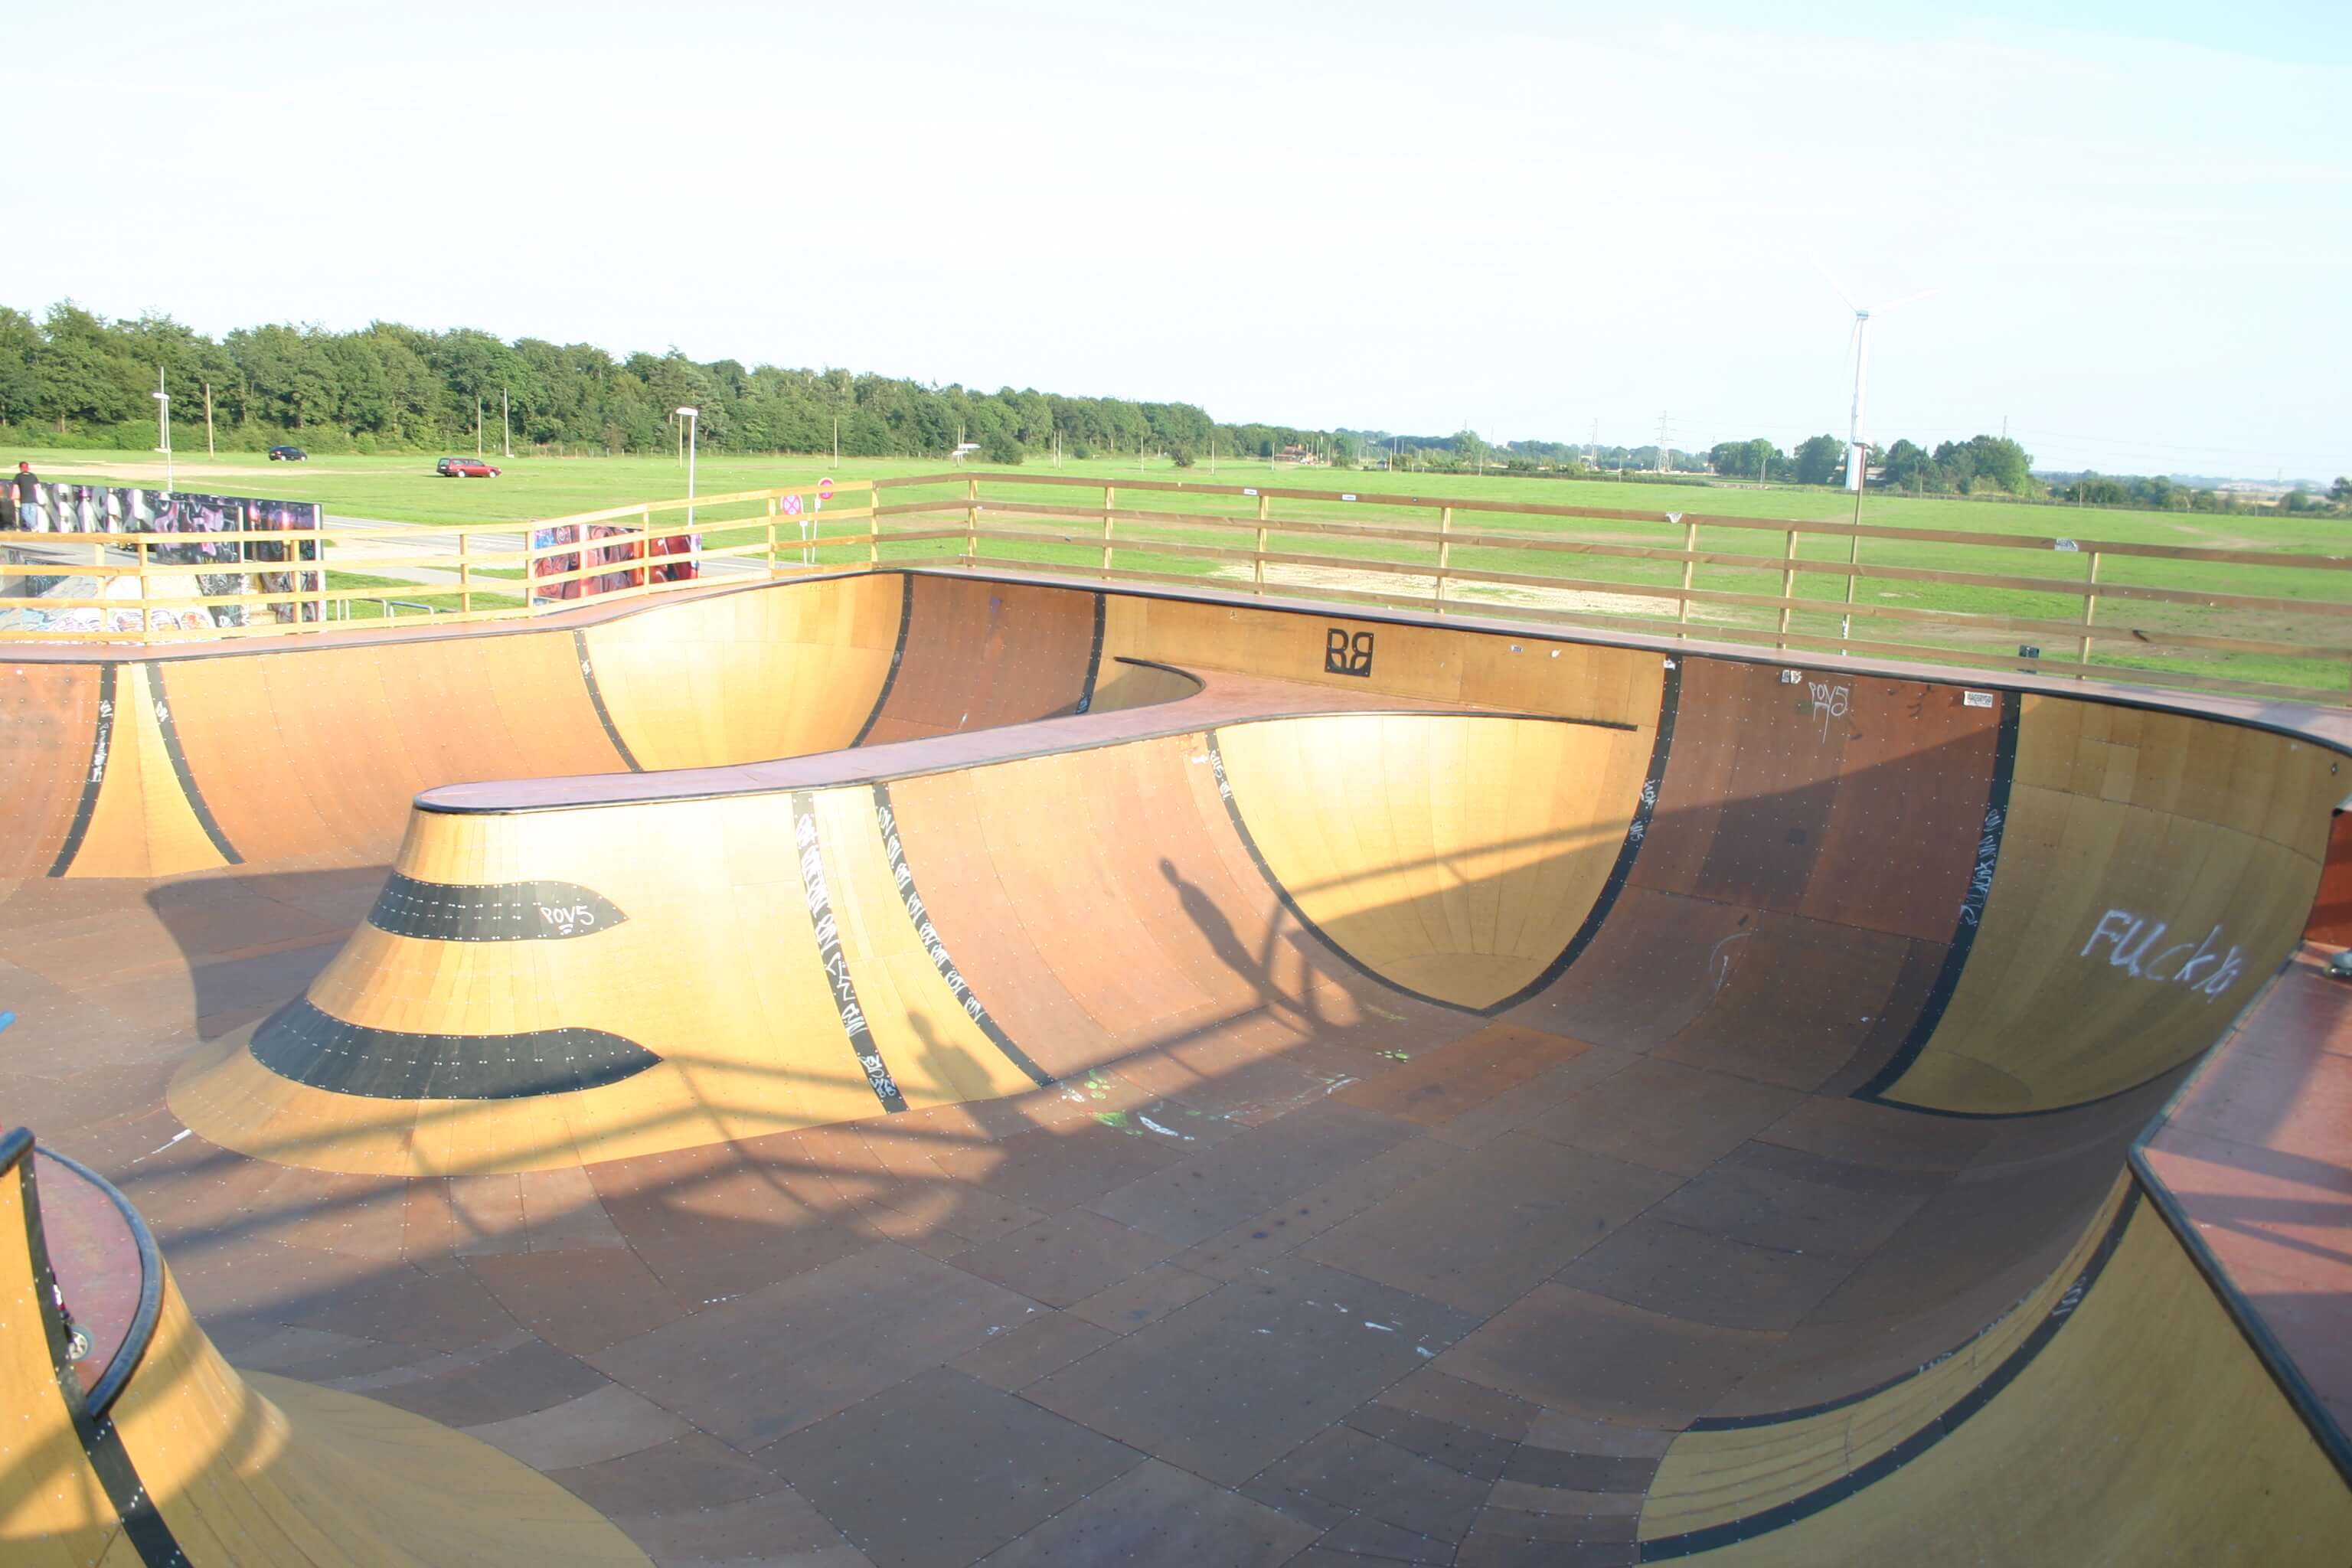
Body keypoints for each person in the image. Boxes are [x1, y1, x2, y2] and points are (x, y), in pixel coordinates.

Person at [8, 462, 35, 530]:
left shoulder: (19, 476)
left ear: (21, 468)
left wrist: (14, 497)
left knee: (25, 515)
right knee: (32, 516)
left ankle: (34, 526)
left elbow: (15, 487)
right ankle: (33, 528)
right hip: (33, 500)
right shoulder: (33, 475)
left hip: (25, 500)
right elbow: (37, 487)